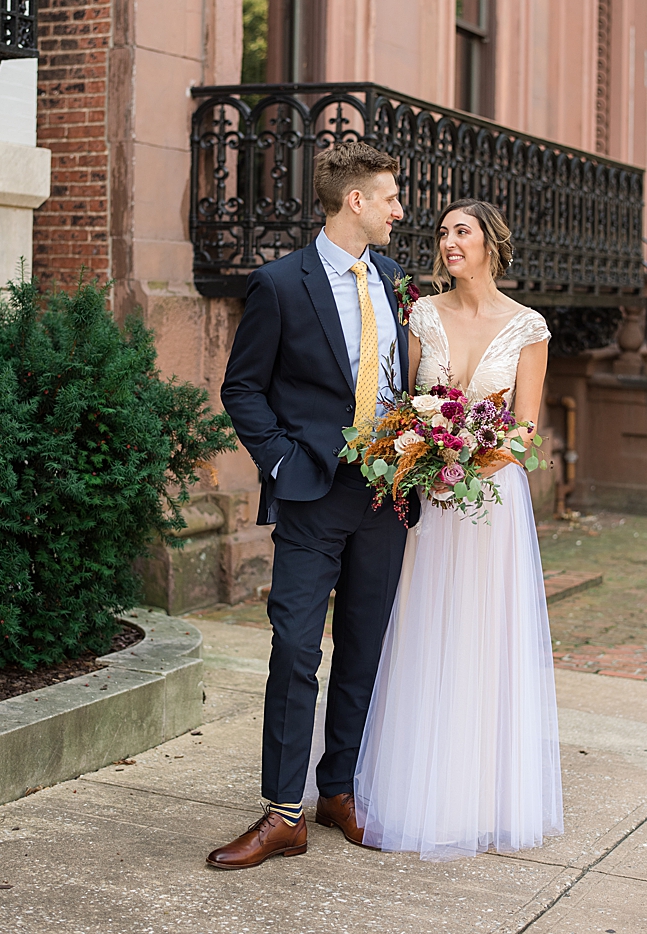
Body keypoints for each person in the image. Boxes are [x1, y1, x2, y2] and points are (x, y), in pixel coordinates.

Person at [210, 141, 415, 869]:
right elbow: (243, 388)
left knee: (365, 647)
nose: (400, 209)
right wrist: (282, 459)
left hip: (387, 494)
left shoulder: (392, 278)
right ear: (353, 202)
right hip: (312, 494)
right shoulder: (279, 284)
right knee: (296, 647)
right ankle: (281, 812)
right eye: (390, 196)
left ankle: (338, 791)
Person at [353, 198, 563, 860]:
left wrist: (469, 454)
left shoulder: (528, 328)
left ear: (490, 243)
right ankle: (416, 785)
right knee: (421, 627)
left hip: (490, 502)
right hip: (430, 502)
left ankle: (482, 794)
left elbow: (526, 431)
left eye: (461, 231)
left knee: (483, 634)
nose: (448, 241)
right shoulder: (422, 315)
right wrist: (425, 451)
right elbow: (396, 404)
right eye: (442, 232)